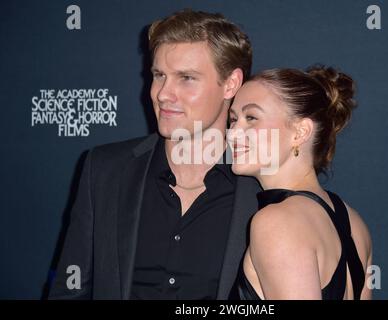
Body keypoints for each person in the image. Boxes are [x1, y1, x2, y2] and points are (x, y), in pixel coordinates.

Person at [49, 9, 261, 299]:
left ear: (231, 84)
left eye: (186, 78)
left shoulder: (263, 188)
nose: (162, 93)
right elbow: (70, 291)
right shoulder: (105, 169)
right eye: (159, 75)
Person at [227, 66, 373, 300]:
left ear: (300, 132)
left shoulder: (276, 221)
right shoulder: (354, 223)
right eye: (233, 120)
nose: (232, 133)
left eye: (251, 118)